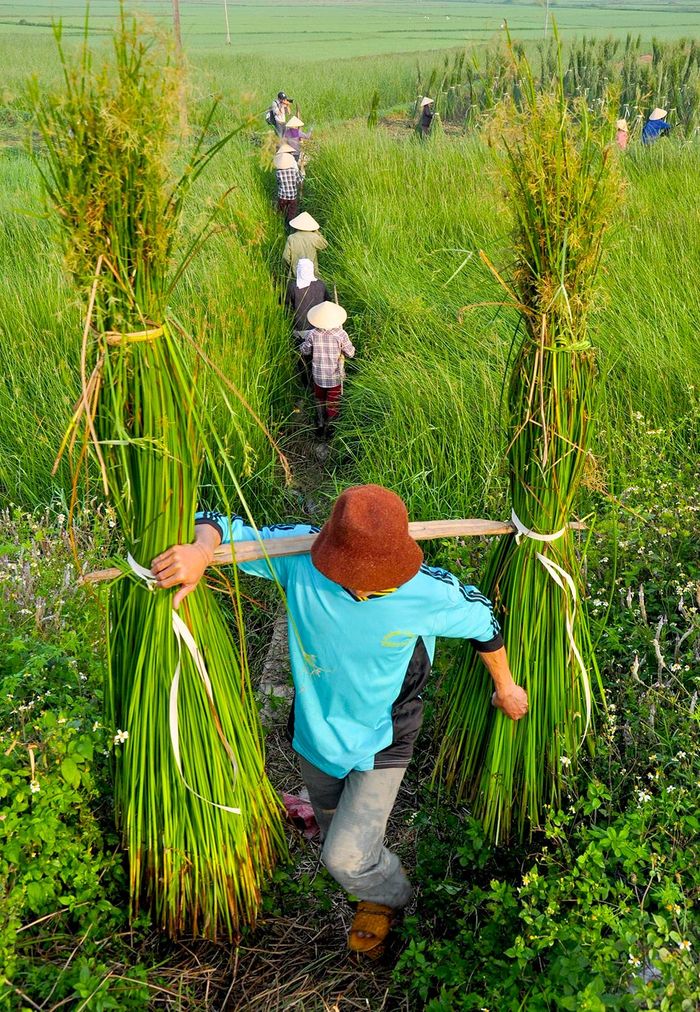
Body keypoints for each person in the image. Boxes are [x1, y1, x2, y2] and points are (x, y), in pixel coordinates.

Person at [151, 484, 528, 957]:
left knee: (343, 856)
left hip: (383, 737)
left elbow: (484, 623)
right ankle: (367, 874)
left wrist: (506, 687)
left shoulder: (426, 592)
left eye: (384, 575)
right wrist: (201, 550)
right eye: (357, 574)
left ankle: (392, 897)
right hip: (316, 732)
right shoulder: (300, 558)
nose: (371, 585)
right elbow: (214, 519)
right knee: (335, 830)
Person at [300, 301, 355, 437]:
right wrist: (343, 349)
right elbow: (351, 353)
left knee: (319, 398)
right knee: (333, 402)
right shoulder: (341, 334)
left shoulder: (313, 333)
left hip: (318, 375)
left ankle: (320, 422)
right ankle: (330, 428)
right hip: (335, 376)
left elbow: (305, 351)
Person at [286, 259, 330, 387]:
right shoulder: (320, 285)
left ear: (298, 270)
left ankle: (306, 384)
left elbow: (285, 303)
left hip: (300, 329)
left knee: (302, 357)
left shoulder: (293, 286)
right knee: (317, 357)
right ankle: (319, 383)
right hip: (318, 328)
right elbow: (328, 301)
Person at [282, 212, 328, 278]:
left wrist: (290, 267)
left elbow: (285, 257)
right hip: (312, 273)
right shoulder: (314, 237)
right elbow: (324, 245)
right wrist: (317, 232)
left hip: (296, 274)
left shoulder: (291, 238)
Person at [274, 153, 304, 222]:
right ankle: (290, 228)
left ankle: (280, 225)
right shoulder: (294, 171)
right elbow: (299, 181)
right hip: (292, 197)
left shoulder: (278, 172)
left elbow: (278, 183)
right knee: (291, 214)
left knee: (281, 213)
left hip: (282, 196)